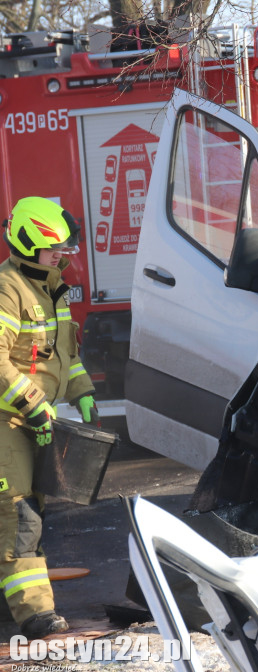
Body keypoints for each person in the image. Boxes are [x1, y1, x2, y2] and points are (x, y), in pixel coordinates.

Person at [0, 197, 98, 639]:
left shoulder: (50, 287)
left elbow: (64, 355)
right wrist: (35, 404)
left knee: (32, 511)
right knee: (20, 513)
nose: (61, 254)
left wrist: (82, 391)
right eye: (53, 247)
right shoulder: (8, 287)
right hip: (8, 423)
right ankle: (36, 617)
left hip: (35, 422)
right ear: (28, 243)